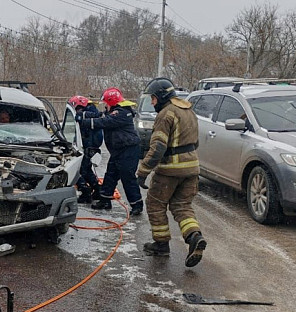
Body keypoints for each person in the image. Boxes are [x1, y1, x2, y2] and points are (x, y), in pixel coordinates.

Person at [137, 77, 207, 267]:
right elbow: (195, 142)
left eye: (153, 98)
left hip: (169, 171)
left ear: (161, 96)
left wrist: (143, 171)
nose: (152, 103)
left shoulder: (166, 114)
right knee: (182, 206)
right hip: (192, 169)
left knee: (155, 204)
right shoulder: (189, 111)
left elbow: (158, 147)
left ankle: (161, 245)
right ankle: (194, 237)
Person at [78, 87, 143, 215]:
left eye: (106, 103)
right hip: (119, 150)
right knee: (111, 175)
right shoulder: (115, 111)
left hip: (128, 150)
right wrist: (83, 115)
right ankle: (105, 200)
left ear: (112, 102)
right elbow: (99, 115)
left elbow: (104, 121)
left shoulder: (122, 113)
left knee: (127, 177)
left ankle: (137, 204)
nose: (105, 106)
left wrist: (84, 123)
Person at [68, 95, 103, 204]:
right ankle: (97, 189)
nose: (77, 111)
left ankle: (85, 191)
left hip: (89, 146)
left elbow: (95, 117)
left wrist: (80, 115)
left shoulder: (90, 113)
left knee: (79, 170)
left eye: (77, 108)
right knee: (87, 170)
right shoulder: (89, 112)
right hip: (89, 146)